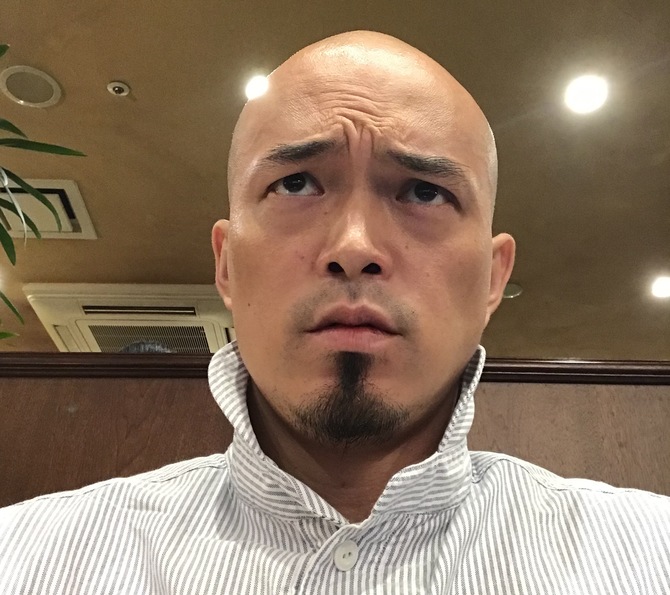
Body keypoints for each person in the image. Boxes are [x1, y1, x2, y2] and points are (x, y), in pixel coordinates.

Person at [1, 30, 669, 594]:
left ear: (492, 279)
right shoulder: (24, 559)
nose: (354, 247)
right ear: (226, 265)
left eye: (424, 192)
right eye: (295, 183)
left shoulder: (649, 556)